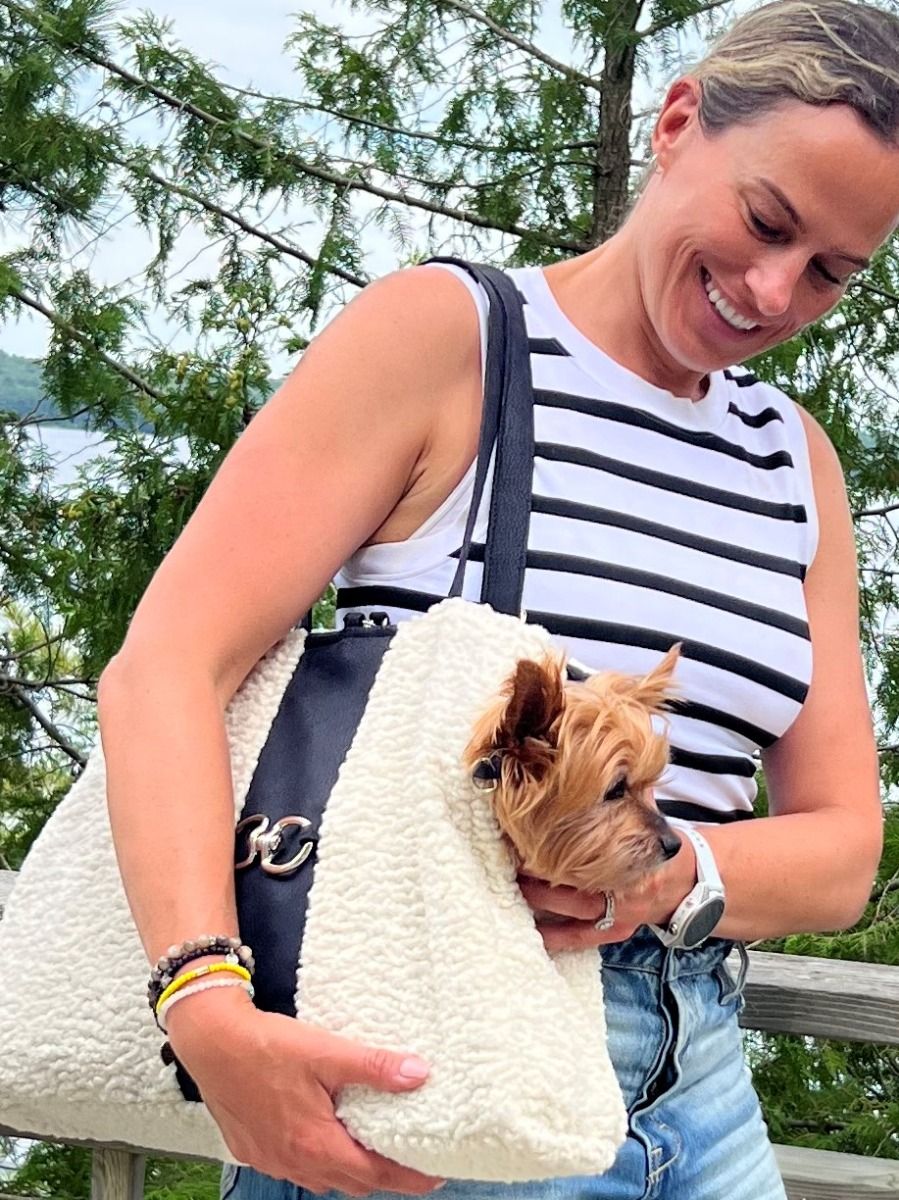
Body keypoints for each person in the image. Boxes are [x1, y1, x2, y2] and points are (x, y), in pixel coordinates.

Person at [97, 1, 899, 1197]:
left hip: (703, 1081)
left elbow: (840, 853)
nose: (773, 291)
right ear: (676, 123)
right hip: (439, 1061)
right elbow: (167, 664)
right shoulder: (455, 338)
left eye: (829, 270)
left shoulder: (793, 460)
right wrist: (203, 997)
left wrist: (664, 880)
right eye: (764, 220)